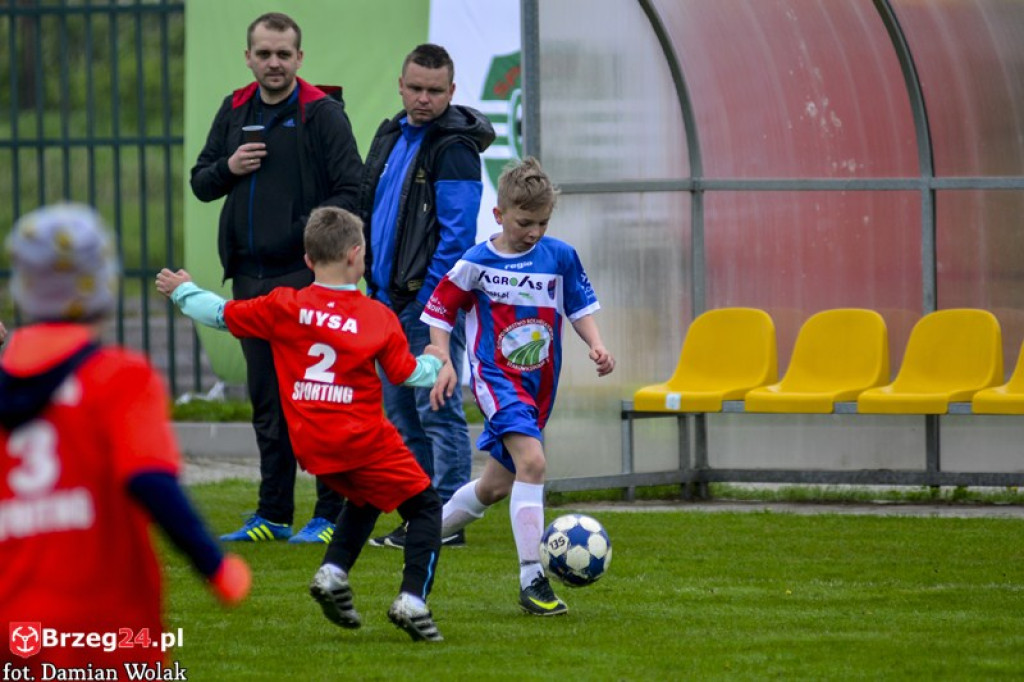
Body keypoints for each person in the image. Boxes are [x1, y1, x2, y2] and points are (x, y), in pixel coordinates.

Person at [156, 206, 446, 642]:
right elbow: (407, 374)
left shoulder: (284, 305)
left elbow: (220, 313)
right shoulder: (377, 316)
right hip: (363, 439)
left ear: (308, 260)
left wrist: (183, 291)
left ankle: (333, 573)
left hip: (311, 444)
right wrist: (435, 362)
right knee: (425, 507)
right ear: (355, 254)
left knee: (366, 497)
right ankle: (413, 600)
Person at [0, 204, 250, 675]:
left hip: (14, 627)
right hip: (108, 627)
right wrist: (216, 567)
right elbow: (151, 481)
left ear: (23, 289)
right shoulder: (119, 378)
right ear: (104, 285)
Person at [190, 12, 364, 544]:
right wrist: (230, 168)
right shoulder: (234, 108)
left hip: (305, 279)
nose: (273, 63)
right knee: (267, 405)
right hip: (249, 277)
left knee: (318, 401)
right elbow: (201, 183)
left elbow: (353, 191)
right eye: (264, 53)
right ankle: (273, 514)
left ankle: (329, 514)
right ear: (248, 57)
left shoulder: (322, 113)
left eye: (283, 54)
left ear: (299, 58)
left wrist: (301, 235)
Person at [422, 157, 615, 616]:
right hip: (497, 379)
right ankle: (533, 580)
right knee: (533, 461)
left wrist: (596, 344)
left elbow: (578, 306)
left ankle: (423, 534)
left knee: (495, 486)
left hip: (539, 386)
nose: (534, 232)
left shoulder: (560, 256)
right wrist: (441, 356)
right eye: (525, 222)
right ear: (499, 214)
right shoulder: (476, 262)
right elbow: (440, 310)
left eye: (542, 223)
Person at [360, 43, 494, 549]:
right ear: (400, 85)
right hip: (384, 299)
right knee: (401, 414)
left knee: (436, 409)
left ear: (452, 91)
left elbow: (457, 238)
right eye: (415, 88)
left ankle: (445, 523)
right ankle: (421, 515)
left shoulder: (454, 146)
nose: (423, 98)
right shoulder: (392, 133)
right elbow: (371, 209)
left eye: (434, 91)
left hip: (425, 305)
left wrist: (430, 305)